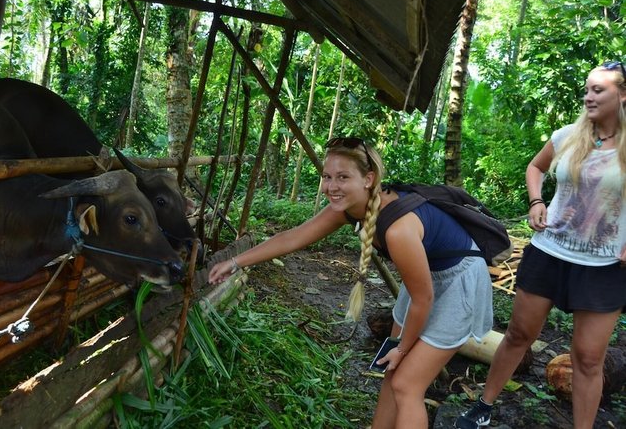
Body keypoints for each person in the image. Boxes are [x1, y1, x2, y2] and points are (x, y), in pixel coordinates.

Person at [208, 137, 494, 428]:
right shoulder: (350, 207)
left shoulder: (398, 229)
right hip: (425, 277)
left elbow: (424, 300)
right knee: (391, 371)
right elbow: (293, 237)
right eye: (327, 176)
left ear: (368, 179)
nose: (331, 186)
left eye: (343, 177)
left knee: (407, 385)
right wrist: (235, 262)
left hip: (459, 283)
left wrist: (402, 349)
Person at [455, 61, 626, 429]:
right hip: (549, 252)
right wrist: (537, 201)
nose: (588, 96)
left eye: (598, 90)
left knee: (588, 359)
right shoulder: (567, 136)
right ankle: (483, 405)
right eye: (587, 89)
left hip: (603, 266)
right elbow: (535, 167)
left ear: (623, 95)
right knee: (518, 334)